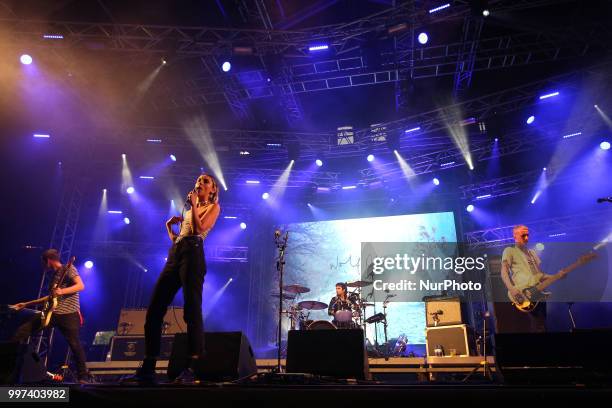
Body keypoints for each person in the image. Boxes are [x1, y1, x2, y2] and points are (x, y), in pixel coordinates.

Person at [123, 174, 220, 385]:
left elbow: (198, 229)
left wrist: (194, 205)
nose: (199, 183)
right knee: (155, 307)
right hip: (177, 252)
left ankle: (191, 368)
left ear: (212, 190)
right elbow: (180, 238)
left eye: (205, 181)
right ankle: (148, 366)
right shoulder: (188, 209)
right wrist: (169, 228)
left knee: (191, 309)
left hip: (194, 254)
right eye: (198, 180)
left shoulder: (213, 208)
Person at [10, 249, 93, 383]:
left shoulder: (68, 268)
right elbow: (50, 297)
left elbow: (80, 286)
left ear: (48, 260)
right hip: (52, 313)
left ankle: (83, 376)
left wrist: (62, 290)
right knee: (22, 331)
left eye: (44, 262)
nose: (43, 266)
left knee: (74, 344)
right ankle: (10, 368)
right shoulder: (55, 275)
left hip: (69, 314)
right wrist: (26, 304)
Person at [498, 225, 550, 333]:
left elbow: (540, 275)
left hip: (539, 293)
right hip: (524, 293)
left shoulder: (532, 253)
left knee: (543, 325)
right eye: (523, 235)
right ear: (515, 236)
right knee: (536, 326)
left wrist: (556, 275)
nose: (526, 238)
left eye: (527, 235)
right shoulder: (509, 251)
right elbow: (504, 272)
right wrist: (511, 288)